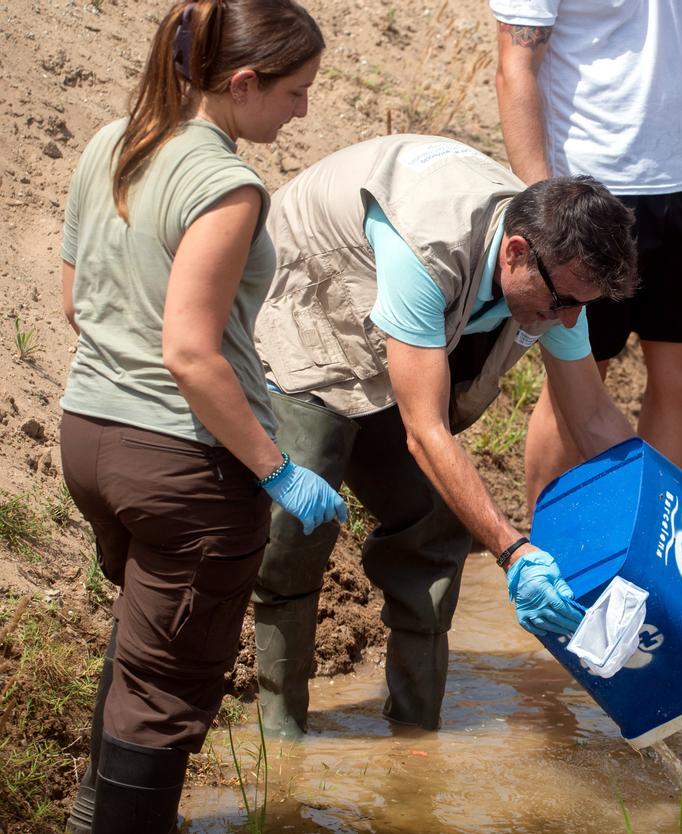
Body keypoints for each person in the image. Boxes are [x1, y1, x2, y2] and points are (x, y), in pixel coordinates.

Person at [250, 134, 639, 737]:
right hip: (308, 311)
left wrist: (673, 519)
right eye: (563, 302)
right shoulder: (427, 248)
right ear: (514, 251)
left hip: (405, 331)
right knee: (299, 523)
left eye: (579, 307)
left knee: (437, 519)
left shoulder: (556, 269)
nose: (568, 320)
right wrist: (514, 552)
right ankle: (282, 733)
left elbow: (592, 417)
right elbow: (424, 431)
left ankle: (415, 732)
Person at [58, 3, 338, 832]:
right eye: (294, 91)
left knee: (146, 648)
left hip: (89, 438)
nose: (303, 110)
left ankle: (87, 815)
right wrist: (274, 466)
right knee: (166, 694)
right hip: (184, 466)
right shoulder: (226, 184)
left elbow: (77, 305)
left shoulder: (113, 141)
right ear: (241, 83)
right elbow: (189, 350)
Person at [492, 0, 682, 510]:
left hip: (680, 177)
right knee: (578, 382)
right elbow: (514, 66)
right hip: (587, 188)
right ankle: (549, 558)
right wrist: (544, 215)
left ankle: (663, 560)